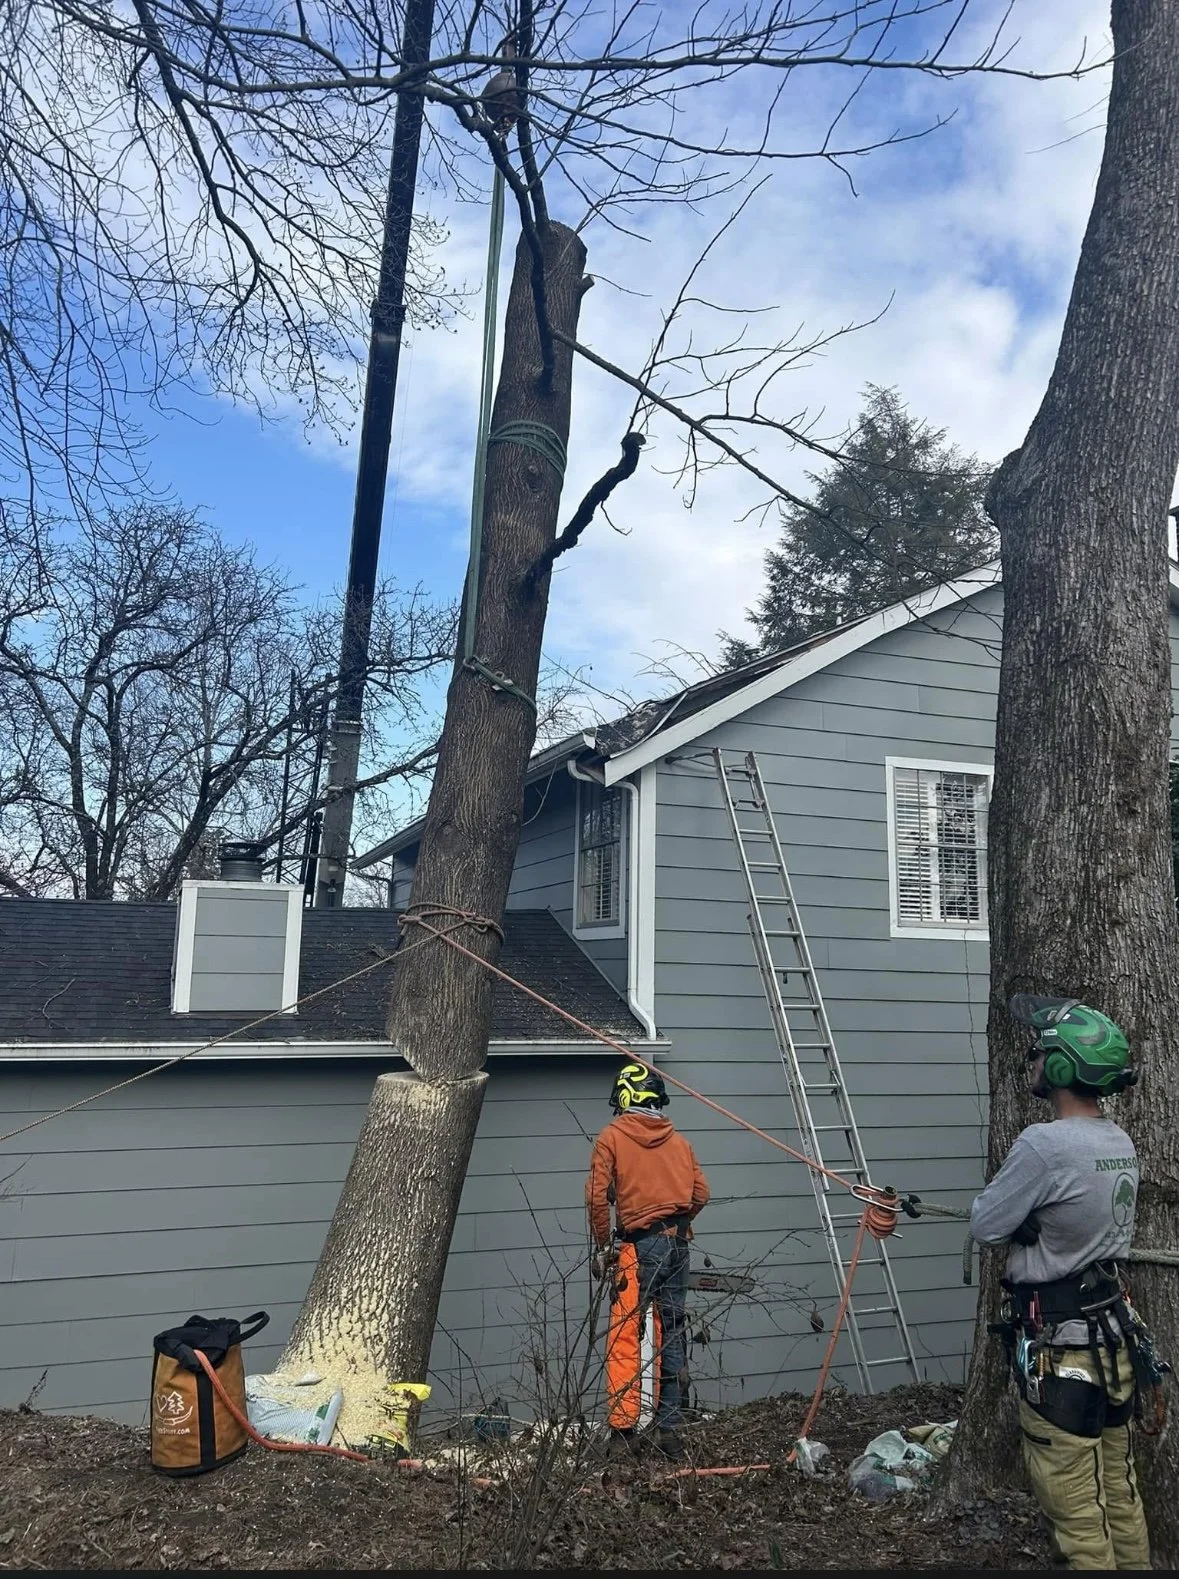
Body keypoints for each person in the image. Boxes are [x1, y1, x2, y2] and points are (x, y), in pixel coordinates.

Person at [970, 996, 1158, 1571]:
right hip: (1115, 1343)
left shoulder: (1043, 1144)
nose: (1031, 1063)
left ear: (1059, 1067)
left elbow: (986, 1223)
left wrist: (1026, 1222)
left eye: (1039, 1054)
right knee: (1120, 1494)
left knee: (1076, 1514)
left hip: (1062, 1350)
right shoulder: (1118, 1142)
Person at [585, 1061, 710, 1460]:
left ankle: (622, 1434)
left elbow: (596, 1197)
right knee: (673, 1331)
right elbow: (701, 1193)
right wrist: (677, 1219)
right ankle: (669, 1430)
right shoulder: (680, 1143)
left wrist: (605, 1246)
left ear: (624, 1098)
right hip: (678, 1245)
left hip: (638, 1247)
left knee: (625, 1332)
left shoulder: (612, 1137)